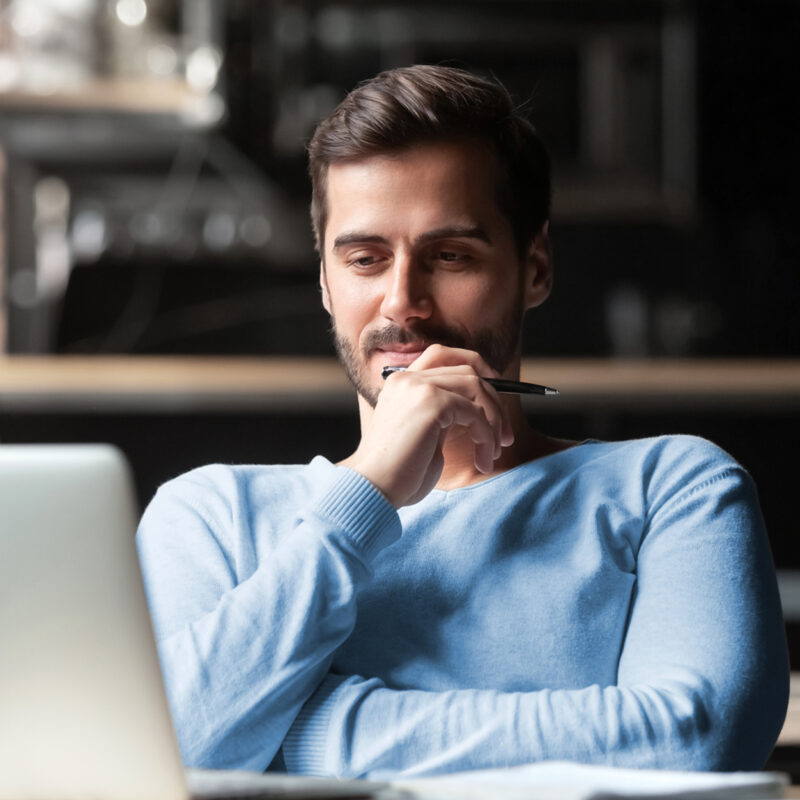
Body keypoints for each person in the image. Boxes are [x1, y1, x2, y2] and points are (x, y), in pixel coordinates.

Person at [136, 64, 789, 778]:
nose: (401, 303)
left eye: (450, 256)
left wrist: (303, 732)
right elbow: (157, 753)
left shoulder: (674, 487)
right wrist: (368, 493)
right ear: (324, 281)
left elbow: (693, 738)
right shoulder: (210, 515)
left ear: (534, 268)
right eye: (364, 258)